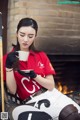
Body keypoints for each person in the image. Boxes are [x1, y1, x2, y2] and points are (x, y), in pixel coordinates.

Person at [3, 18, 80, 120]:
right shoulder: (7, 58)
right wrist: (8, 67)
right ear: (17, 33)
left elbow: (51, 86)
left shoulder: (41, 55)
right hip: (30, 102)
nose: (26, 40)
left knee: (73, 115)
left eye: (30, 36)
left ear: (35, 36)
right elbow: (12, 91)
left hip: (51, 95)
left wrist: (35, 76)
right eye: (22, 35)